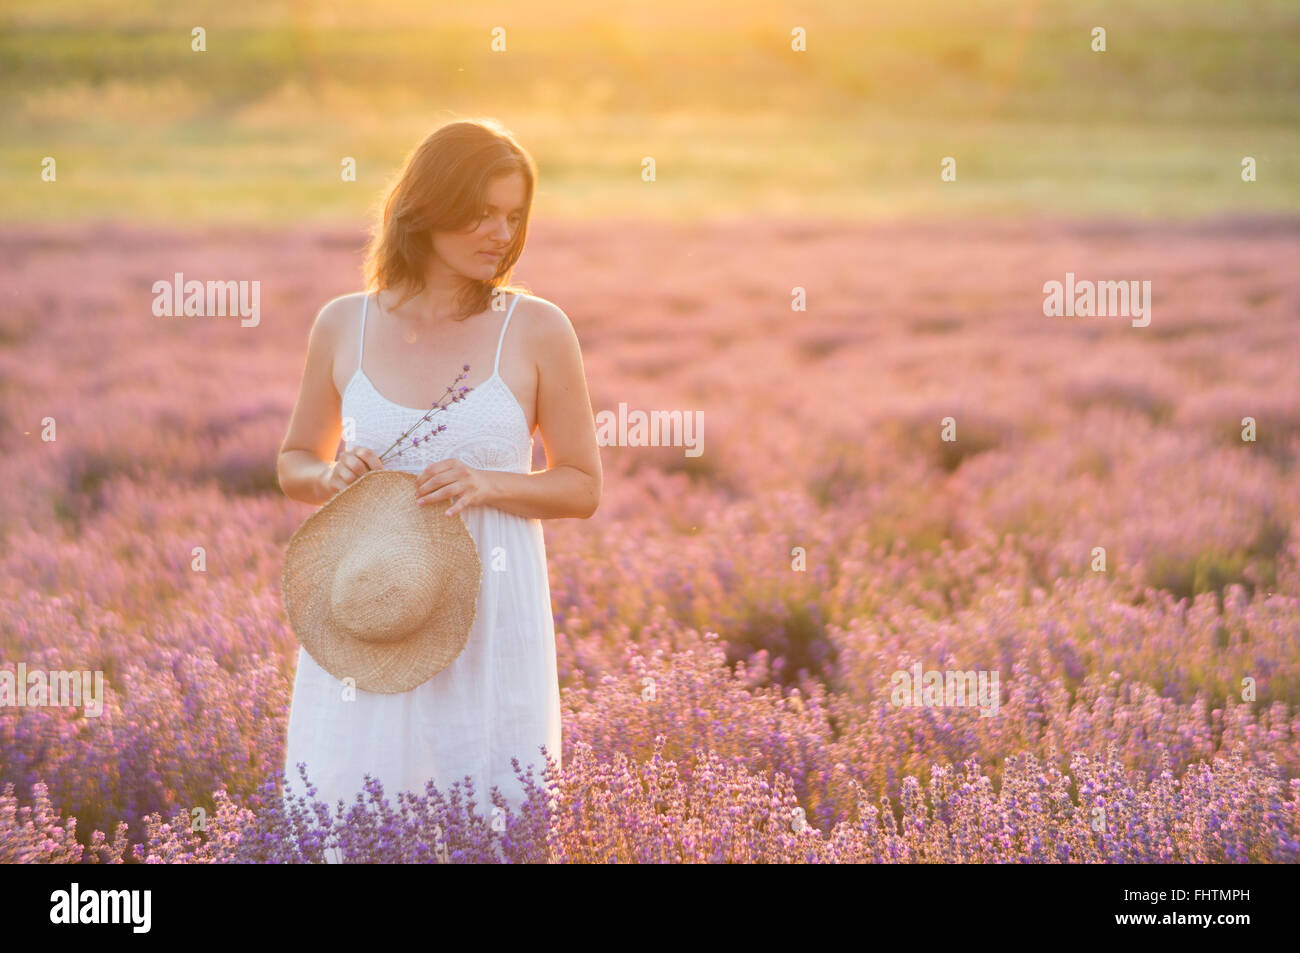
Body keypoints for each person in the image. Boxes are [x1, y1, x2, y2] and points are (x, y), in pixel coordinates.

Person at [275, 118, 602, 861]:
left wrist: (489, 482)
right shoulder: (343, 325)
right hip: (373, 608)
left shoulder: (538, 328)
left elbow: (582, 486)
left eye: (514, 215)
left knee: (488, 811)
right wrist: (329, 478)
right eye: (481, 211)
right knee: (354, 813)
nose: (501, 233)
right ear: (426, 207)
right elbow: (294, 458)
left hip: (491, 611)